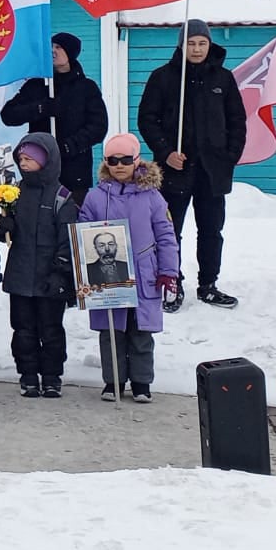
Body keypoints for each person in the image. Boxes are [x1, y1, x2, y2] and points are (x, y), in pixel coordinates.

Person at [137, 19, 245, 311]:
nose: (196, 49)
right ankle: (172, 283)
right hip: (176, 170)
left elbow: (237, 120)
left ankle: (208, 284)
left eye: (202, 43)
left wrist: (229, 155)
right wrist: (166, 151)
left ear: (209, 45)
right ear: (181, 45)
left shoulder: (223, 79)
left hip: (212, 171)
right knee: (170, 231)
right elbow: (147, 119)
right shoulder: (163, 78)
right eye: (191, 43)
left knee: (211, 229)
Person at [78, 133, 179, 402]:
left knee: (140, 332)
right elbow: (84, 234)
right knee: (111, 331)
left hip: (143, 272)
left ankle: (141, 382)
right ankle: (113, 382)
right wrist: (85, 269)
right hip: (108, 274)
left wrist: (168, 271)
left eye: (125, 160)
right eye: (113, 160)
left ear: (136, 161)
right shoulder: (95, 197)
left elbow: (166, 236)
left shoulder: (152, 197)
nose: (119, 165)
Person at [0, 133, 77, 399]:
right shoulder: (13, 193)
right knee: (23, 329)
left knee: (51, 330)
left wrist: (61, 272)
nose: (24, 163)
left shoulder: (62, 197)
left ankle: (51, 377)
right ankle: (27, 375)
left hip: (50, 278)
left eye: (30, 159)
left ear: (46, 161)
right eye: (21, 158)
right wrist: (4, 227)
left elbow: (68, 239)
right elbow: (8, 233)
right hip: (20, 275)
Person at [0, 32, 108, 205]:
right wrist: (40, 108)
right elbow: (8, 115)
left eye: (58, 47)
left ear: (70, 53)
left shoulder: (86, 88)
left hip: (74, 172)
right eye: (51, 47)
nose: (53, 51)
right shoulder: (36, 85)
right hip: (39, 170)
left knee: (71, 220)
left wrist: (67, 146)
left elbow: (98, 127)